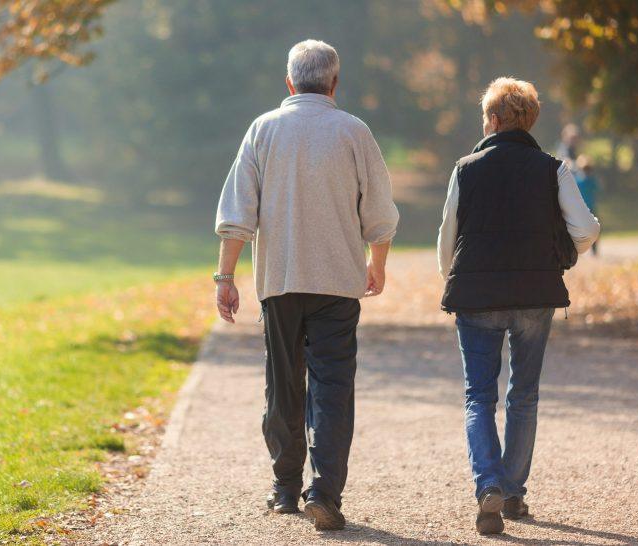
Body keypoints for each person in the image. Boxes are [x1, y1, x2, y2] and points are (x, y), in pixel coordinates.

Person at [214, 39, 399, 531]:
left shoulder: (263, 130)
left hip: (280, 282)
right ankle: (326, 491)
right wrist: (376, 263)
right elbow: (379, 213)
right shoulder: (354, 132)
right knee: (334, 388)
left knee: (283, 386)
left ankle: (284, 487)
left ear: (289, 82)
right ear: (334, 83)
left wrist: (226, 276)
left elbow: (238, 215)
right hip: (338, 284)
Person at [437, 77, 600, 535]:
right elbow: (585, 230)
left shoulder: (465, 168)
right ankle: (512, 492)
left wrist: (454, 277)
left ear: (491, 119)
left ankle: (488, 482)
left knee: (478, 396)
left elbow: (447, 238)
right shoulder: (552, 168)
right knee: (524, 394)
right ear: (530, 120)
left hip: (476, 296)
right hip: (535, 293)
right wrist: (562, 252)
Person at [575, 154, 601, 255]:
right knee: (594, 230)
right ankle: (594, 251)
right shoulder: (591, 180)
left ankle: (579, 251)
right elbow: (598, 189)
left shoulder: (578, 179)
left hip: (582, 209)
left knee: (579, 230)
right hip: (589, 208)